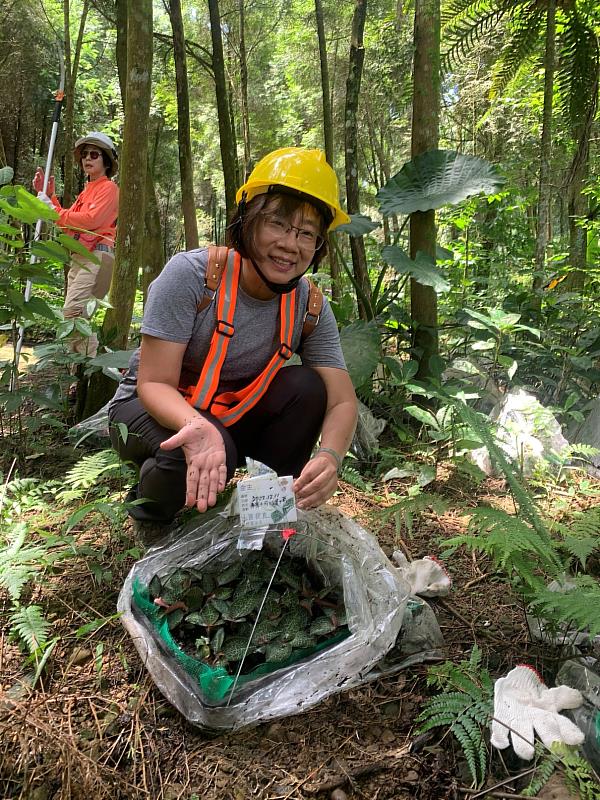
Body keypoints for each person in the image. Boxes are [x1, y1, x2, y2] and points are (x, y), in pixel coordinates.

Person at [108, 147, 358, 541]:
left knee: (308, 388)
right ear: (247, 223)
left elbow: (342, 400)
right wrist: (197, 428)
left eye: (306, 233)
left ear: (318, 246)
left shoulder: (308, 306)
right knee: (192, 443)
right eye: (277, 223)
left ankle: (264, 519)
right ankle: (152, 514)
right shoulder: (192, 275)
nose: (291, 245)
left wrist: (330, 457)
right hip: (149, 407)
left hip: (229, 415)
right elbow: (153, 383)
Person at [34, 131, 119, 358]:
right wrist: (50, 198)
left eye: (94, 154)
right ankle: (78, 375)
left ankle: (90, 370)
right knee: (74, 318)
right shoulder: (87, 191)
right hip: (80, 257)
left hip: (97, 256)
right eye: (84, 155)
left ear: (106, 161)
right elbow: (68, 223)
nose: (87, 159)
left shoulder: (108, 188)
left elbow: (92, 220)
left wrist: (55, 210)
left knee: (73, 314)